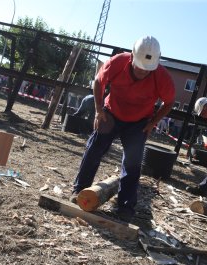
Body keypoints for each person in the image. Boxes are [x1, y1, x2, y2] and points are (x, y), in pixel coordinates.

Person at [70, 36, 175, 222]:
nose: (143, 72)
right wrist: (98, 110)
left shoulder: (162, 76)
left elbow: (169, 102)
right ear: (132, 56)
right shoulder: (118, 62)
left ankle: (125, 206)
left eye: (147, 69)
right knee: (94, 149)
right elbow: (98, 82)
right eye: (139, 67)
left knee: (132, 164)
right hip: (110, 114)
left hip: (139, 122)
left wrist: (153, 122)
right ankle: (79, 189)